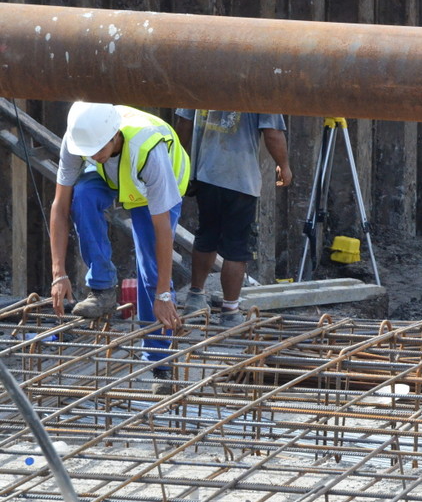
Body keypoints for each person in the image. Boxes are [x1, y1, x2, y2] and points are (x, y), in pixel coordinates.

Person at [49, 102, 189, 393]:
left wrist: (163, 292)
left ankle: (160, 364)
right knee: (84, 196)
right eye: (88, 152)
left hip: (157, 183)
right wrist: (58, 272)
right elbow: (60, 207)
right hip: (115, 176)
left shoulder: (149, 150)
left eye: (98, 150)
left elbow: (162, 230)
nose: (91, 156)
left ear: (115, 136)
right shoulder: (79, 141)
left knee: (150, 269)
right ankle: (102, 289)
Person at [173, 109, 292, 326]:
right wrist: (283, 165)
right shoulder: (260, 84)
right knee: (236, 245)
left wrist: (177, 160)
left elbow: (184, 122)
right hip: (240, 178)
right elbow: (272, 132)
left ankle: (195, 298)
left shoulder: (199, 77)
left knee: (207, 234)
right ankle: (229, 311)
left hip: (206, 173)